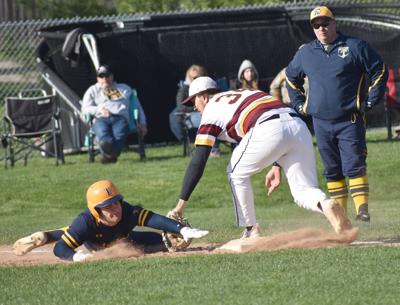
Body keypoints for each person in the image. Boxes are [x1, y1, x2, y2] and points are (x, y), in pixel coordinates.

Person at [171, 76, 353, 239]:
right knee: (303, 191)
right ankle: (326, 203)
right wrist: (276, 165)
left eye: (194, 101)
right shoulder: (245, 92)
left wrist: (180, 205)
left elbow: (199, 160)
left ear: (204, 96)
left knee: (235, 173)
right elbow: (278, 123)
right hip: (297, 125)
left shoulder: (211, 108)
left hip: (267, 128)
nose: (195, 107)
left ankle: (251, 230)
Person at [285, 6, 388, 222]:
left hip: (349, 119)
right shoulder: (306, 53)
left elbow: (379, 69)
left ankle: (362, 210)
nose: (321, 28)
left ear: (334, 23)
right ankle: (340, 217)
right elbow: (290, 77)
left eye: (325, 23)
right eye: (316, 25)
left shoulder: (354, 46)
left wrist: (370, 99)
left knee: (354, 164)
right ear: (312, 28)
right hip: (320, 122)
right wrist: (300, 105)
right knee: (332, 170)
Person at [13, 180, 209, 262]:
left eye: (116, 202)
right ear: (96, 210)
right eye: (107, 206)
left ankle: (46, 235)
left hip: (121, 234)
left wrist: (181, 229)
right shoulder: (86, 221)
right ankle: (47, 236)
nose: (115, 208)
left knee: (158, 241)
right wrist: (75, 257)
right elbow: (60, 249)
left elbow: (153, 219)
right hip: (95, 241)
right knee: (76, 233)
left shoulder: (126, 211)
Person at [82, 65, 148, 163]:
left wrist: (143, 123)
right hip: (101, 118)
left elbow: (137, 107)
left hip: (120, 119)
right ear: (97, 78)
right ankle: (111, 154)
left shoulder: (124, 88)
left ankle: (107, 155)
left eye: (107, 76)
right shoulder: (92, 90)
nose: (104, 79)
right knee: (103, 134)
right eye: (101, 76)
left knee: (119, 136)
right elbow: (85, 109)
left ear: (112, 76)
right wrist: (99, 109)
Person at [169, 64, 207, 143]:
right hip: (193, 115)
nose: (197, 79)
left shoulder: (207, 87)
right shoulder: (184, 90)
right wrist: (196, 108)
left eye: (199, 76)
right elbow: (180, 106)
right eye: (194, 77)